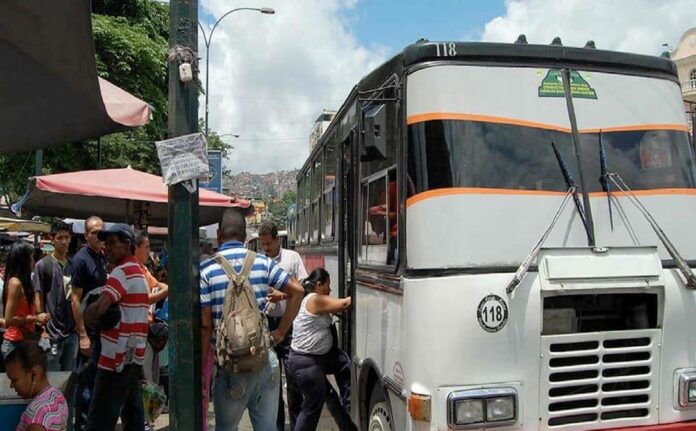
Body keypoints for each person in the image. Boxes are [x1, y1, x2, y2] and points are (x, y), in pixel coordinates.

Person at [200, 209, 304, 430]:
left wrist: (202, 370)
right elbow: (297, 290)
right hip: (264, 362)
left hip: (229, 369)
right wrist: (281, 332)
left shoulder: (207, 270)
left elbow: (206, 325)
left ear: (219, 235)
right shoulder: (262, 263)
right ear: (245, 236)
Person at [83, 223, 149, 431]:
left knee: (99, 420)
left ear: (127, 245)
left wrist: (89, 312)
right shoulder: (138, 272)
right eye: (106, 243)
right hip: (133, 356)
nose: (107, 248)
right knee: (133, 415)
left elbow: (99, 308)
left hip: (114, 359)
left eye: (112, 243)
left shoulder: (121, 273)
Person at [288, 268, 352, 431]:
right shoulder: (314, 299)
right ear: (318, 285)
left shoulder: (312, 298)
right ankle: (350, 402)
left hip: (315, 359)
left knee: (341, 365)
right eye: (328, 286)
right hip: (307, 363)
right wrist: (364, 294)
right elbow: (344, 304)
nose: (330, 290)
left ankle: (349, 418)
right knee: (312, 407)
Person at [258, 221, 308, 431]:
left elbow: (305, 287)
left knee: (293, 379)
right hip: (267, 324)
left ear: (277, 240)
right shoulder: (260, 261)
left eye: (268, 244)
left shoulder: (292, 258)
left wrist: (284, 295)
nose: (266, 249)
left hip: (289, 325)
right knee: (271, 382)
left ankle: (296, 425)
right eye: (263, 245)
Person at [71, 216, 107, 431]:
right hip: (89, 333)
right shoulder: (81, 260)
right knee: (85, 385)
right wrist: (83, 334)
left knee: (95, 385)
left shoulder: (101, 257)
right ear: (86, 235)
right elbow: (74, 299)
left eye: (101, 231)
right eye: (94, 232)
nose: (98, 236)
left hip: (101, 331)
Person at [33, 221, 77, 372]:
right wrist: (43, 329)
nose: (64, 241)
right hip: (51, 334)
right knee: (52, 378)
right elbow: (38, 295)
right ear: (52, 240)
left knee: (69, 377)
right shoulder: (43, 265)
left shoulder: (73, 265)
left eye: (66, 237)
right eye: (60, 238)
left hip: (71, 332)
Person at [6, 339, 69, 431]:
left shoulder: (36, 414)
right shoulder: (57, 395)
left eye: (14, 380)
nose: (11, 386)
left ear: (34, 374)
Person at [3, 242, 50, 359]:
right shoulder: (15, 283)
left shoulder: (25, 282)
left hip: (26, 341)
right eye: (31, 257)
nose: (33, 261)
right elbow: (8, 319)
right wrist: (35, 318)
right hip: (15, 343)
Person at [134, 230, 168, 384]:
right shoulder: (133, 270)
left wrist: (164, 289)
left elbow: (157, 284)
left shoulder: (144, 269)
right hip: (137, 332)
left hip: (148, 328)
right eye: (146, 247)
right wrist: (166, 291)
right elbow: (143, 300)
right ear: (136, 248)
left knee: (152, 377)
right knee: (146, 379)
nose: (149, 251)